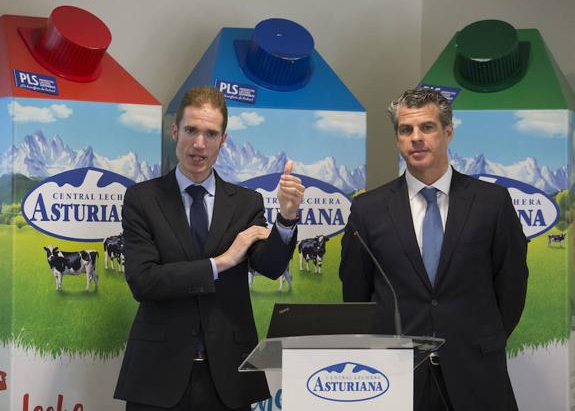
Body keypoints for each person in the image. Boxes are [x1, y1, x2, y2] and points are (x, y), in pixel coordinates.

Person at [114, 86, 305, 411]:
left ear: (224, 140)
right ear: (175, 131)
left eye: (211, 133)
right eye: (191, 130)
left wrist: (286, 218)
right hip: (157, 375)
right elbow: (143, 280)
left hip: (229, 377)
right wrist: (222, 262)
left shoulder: (246, 203)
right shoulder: (142, 199)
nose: (199, 144)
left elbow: (271, 267)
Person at [339, 88, 528, 411]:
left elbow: (511, 287)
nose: (416, 138)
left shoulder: (491, 203)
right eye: (405, 129)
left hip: (476, 372)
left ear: (447, 132)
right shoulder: (367, 210)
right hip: (396, 378)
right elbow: (356, 294)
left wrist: (477, 339)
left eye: (427, 127)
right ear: (397, 138)